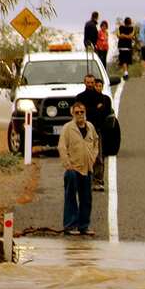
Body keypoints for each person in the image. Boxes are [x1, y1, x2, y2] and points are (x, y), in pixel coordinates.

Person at [58, 102, 98, 236]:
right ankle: (70, 225)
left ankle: (83, 226)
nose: (80, 115)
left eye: (82, 112)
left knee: (86, 199)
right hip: (73, 169)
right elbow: (62, 147)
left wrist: (93, 157)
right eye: (77, 112)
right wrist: (67, 164)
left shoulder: (90, 127)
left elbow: (96, 142)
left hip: (87, 168)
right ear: (72, 113)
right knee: (70, 197)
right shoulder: (68, 128)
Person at [74, 74, 106, 191]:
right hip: (82, 130)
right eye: (88, 82)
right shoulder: (80, 97)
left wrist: (90, 111)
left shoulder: (101, 97)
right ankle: (83, 180)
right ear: (85, 83)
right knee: (81, 155)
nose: (90, 85)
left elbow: (102, 112)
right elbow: (78, 113)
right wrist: (94, 109)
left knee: (98, 157)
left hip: (97, 130)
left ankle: (98, 181)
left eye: (92, 83)